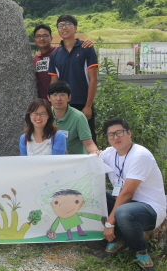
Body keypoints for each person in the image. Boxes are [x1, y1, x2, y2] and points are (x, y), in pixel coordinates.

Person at [98, 118, 166, 270]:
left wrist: (109, 223)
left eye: (119, 132)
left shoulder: (140, 155)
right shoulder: (110, 153)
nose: (116, 137)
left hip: (150, 208)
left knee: (123, 212)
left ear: (129, 133)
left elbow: (127, 193)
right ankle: (120, 239)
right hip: (128, 204)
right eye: (111, 135)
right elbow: (91, 160)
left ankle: (141, 250)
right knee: (100, 195)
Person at [48, 14, 98, 142]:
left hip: (82, 103)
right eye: (60, 26)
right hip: (63, 105)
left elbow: (93, 79)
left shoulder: (87, 49)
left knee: (87, 139)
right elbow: (54, 83)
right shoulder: (55, 54)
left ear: (75, 27)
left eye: (67, 24)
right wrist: (51, 107)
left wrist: (88, 106)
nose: (64, 28)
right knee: (63, 140)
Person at [33, 23, 93, 100]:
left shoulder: (59, 53)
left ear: (51, 38)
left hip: (61, 100)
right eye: (38, 36)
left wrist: (85, 43)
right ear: (34, 39)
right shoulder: (35, 58)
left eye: (45, 36)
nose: (42, 39)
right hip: (43, 101)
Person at [47, 81, 99, 155]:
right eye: (55, 95)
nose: (58, 98)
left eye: (62, 95)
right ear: (49, 98)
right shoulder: (45, 115)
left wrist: (96, 153)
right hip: (52, 161)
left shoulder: (79, 117)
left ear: (69, 97)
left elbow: (89, 144)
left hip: (75, 162)